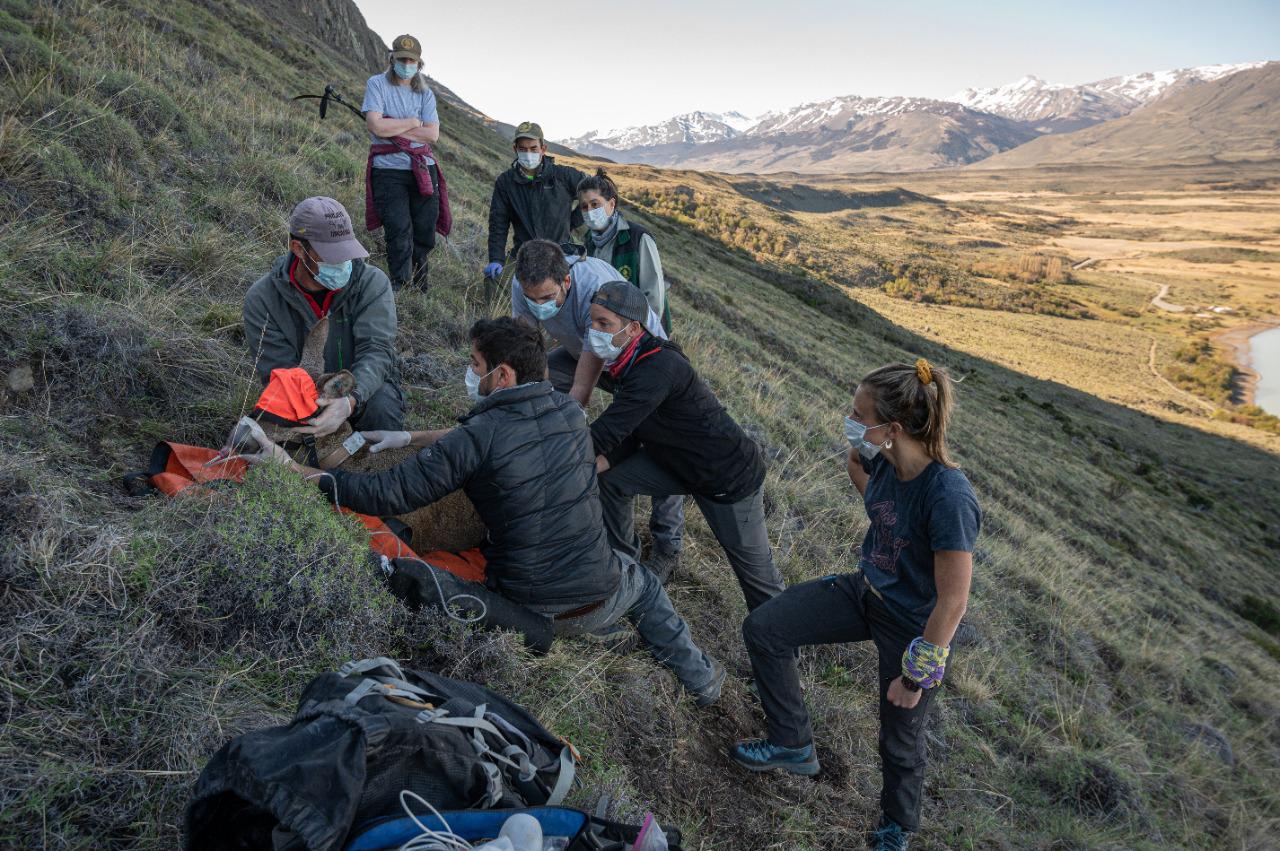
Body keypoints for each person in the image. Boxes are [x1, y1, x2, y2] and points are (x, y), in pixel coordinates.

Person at [237, 317, 726, 706]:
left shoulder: (478, 437)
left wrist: (300, 473)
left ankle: (597, 633)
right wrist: (411, 437)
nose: (471, 373)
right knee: (644, 583)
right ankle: (700, 681)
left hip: (528, 609)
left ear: (503, 374)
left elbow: (386, 494)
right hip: (603, 589)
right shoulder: (572, 417)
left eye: (476, 363)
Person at [730, 359, 981, 851]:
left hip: (913, 625)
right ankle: (792, 744)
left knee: (900, 737)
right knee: (765, 627)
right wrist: (883, 519)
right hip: (865, 592)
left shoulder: (948, 496)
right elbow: (854, 462)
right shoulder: (881, 458)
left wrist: (916, 676)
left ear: (892, 427)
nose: (850, 421)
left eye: (858, 414)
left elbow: (952, 601)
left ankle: (896, 827)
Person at [587, 282, 786, 610]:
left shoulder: (657, 367)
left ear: (633, 328)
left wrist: (556, 457)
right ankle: (625, 569)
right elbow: (634, 429)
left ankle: (777, 649)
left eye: (604, 324)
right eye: (592, 321)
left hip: (727, 479)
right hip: (675, 464)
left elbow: (607, 432)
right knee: (611, 481)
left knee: (758, 581)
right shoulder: (629, 359)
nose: (594, 331)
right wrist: (602, 462)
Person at [511, 241, 684, 575]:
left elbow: (582, 388)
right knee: (541, 380)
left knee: (660, 443)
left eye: (547, 299)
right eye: (532, 299)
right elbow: (529, 350)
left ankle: (667, 546)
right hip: (580, 350)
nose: (538, 306)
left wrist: (566, 453)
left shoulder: (594, 290)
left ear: (566, 283)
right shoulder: (525, 285)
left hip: (637, 363)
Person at [243, 196, 403, 436]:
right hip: (305, 396)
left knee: (382, 408)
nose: (342, 263)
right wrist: (321, 405)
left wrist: (348, 401)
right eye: (330, 254)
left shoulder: (372, 283)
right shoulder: (263, 299)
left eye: (345, 251)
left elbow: (377, 351)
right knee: (268, 437)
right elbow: (280, 372)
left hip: (364, 390)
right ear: (298, 248)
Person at [362, 33, 446, 291]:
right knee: (398, 230)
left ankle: (420, 286)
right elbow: (375, 125)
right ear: (392, 59)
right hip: (388, 171)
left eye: (412, 61)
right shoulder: (377, 85)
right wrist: (412, 123)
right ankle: (399, 285)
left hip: (422, 168)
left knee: (424, 230)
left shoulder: (426, 94)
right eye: (401, 59)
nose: (406, 64)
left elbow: (432, 134)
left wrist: (391, 128)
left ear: (419, 64)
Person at [484, 123, 587, 285]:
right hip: (523, 256)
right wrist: (496, 259)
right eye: (523, 149)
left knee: (570, 293)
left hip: (562, 254)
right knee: (495, 284)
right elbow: (498, 223)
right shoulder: (506, 182)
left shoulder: (563, 176)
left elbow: (595, 191)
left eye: (533, 148)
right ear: (515, 149)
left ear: (543, 149)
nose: (528, 153)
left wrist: (571, 222)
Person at [577, 169, 670, 333]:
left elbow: (653, 295)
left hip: (641, 331)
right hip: (609, 330)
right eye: (584, 207)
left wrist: (643, 332)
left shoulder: (638, 237)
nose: (590, 211)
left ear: (611, 204)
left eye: (595, 204)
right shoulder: (589, 242)